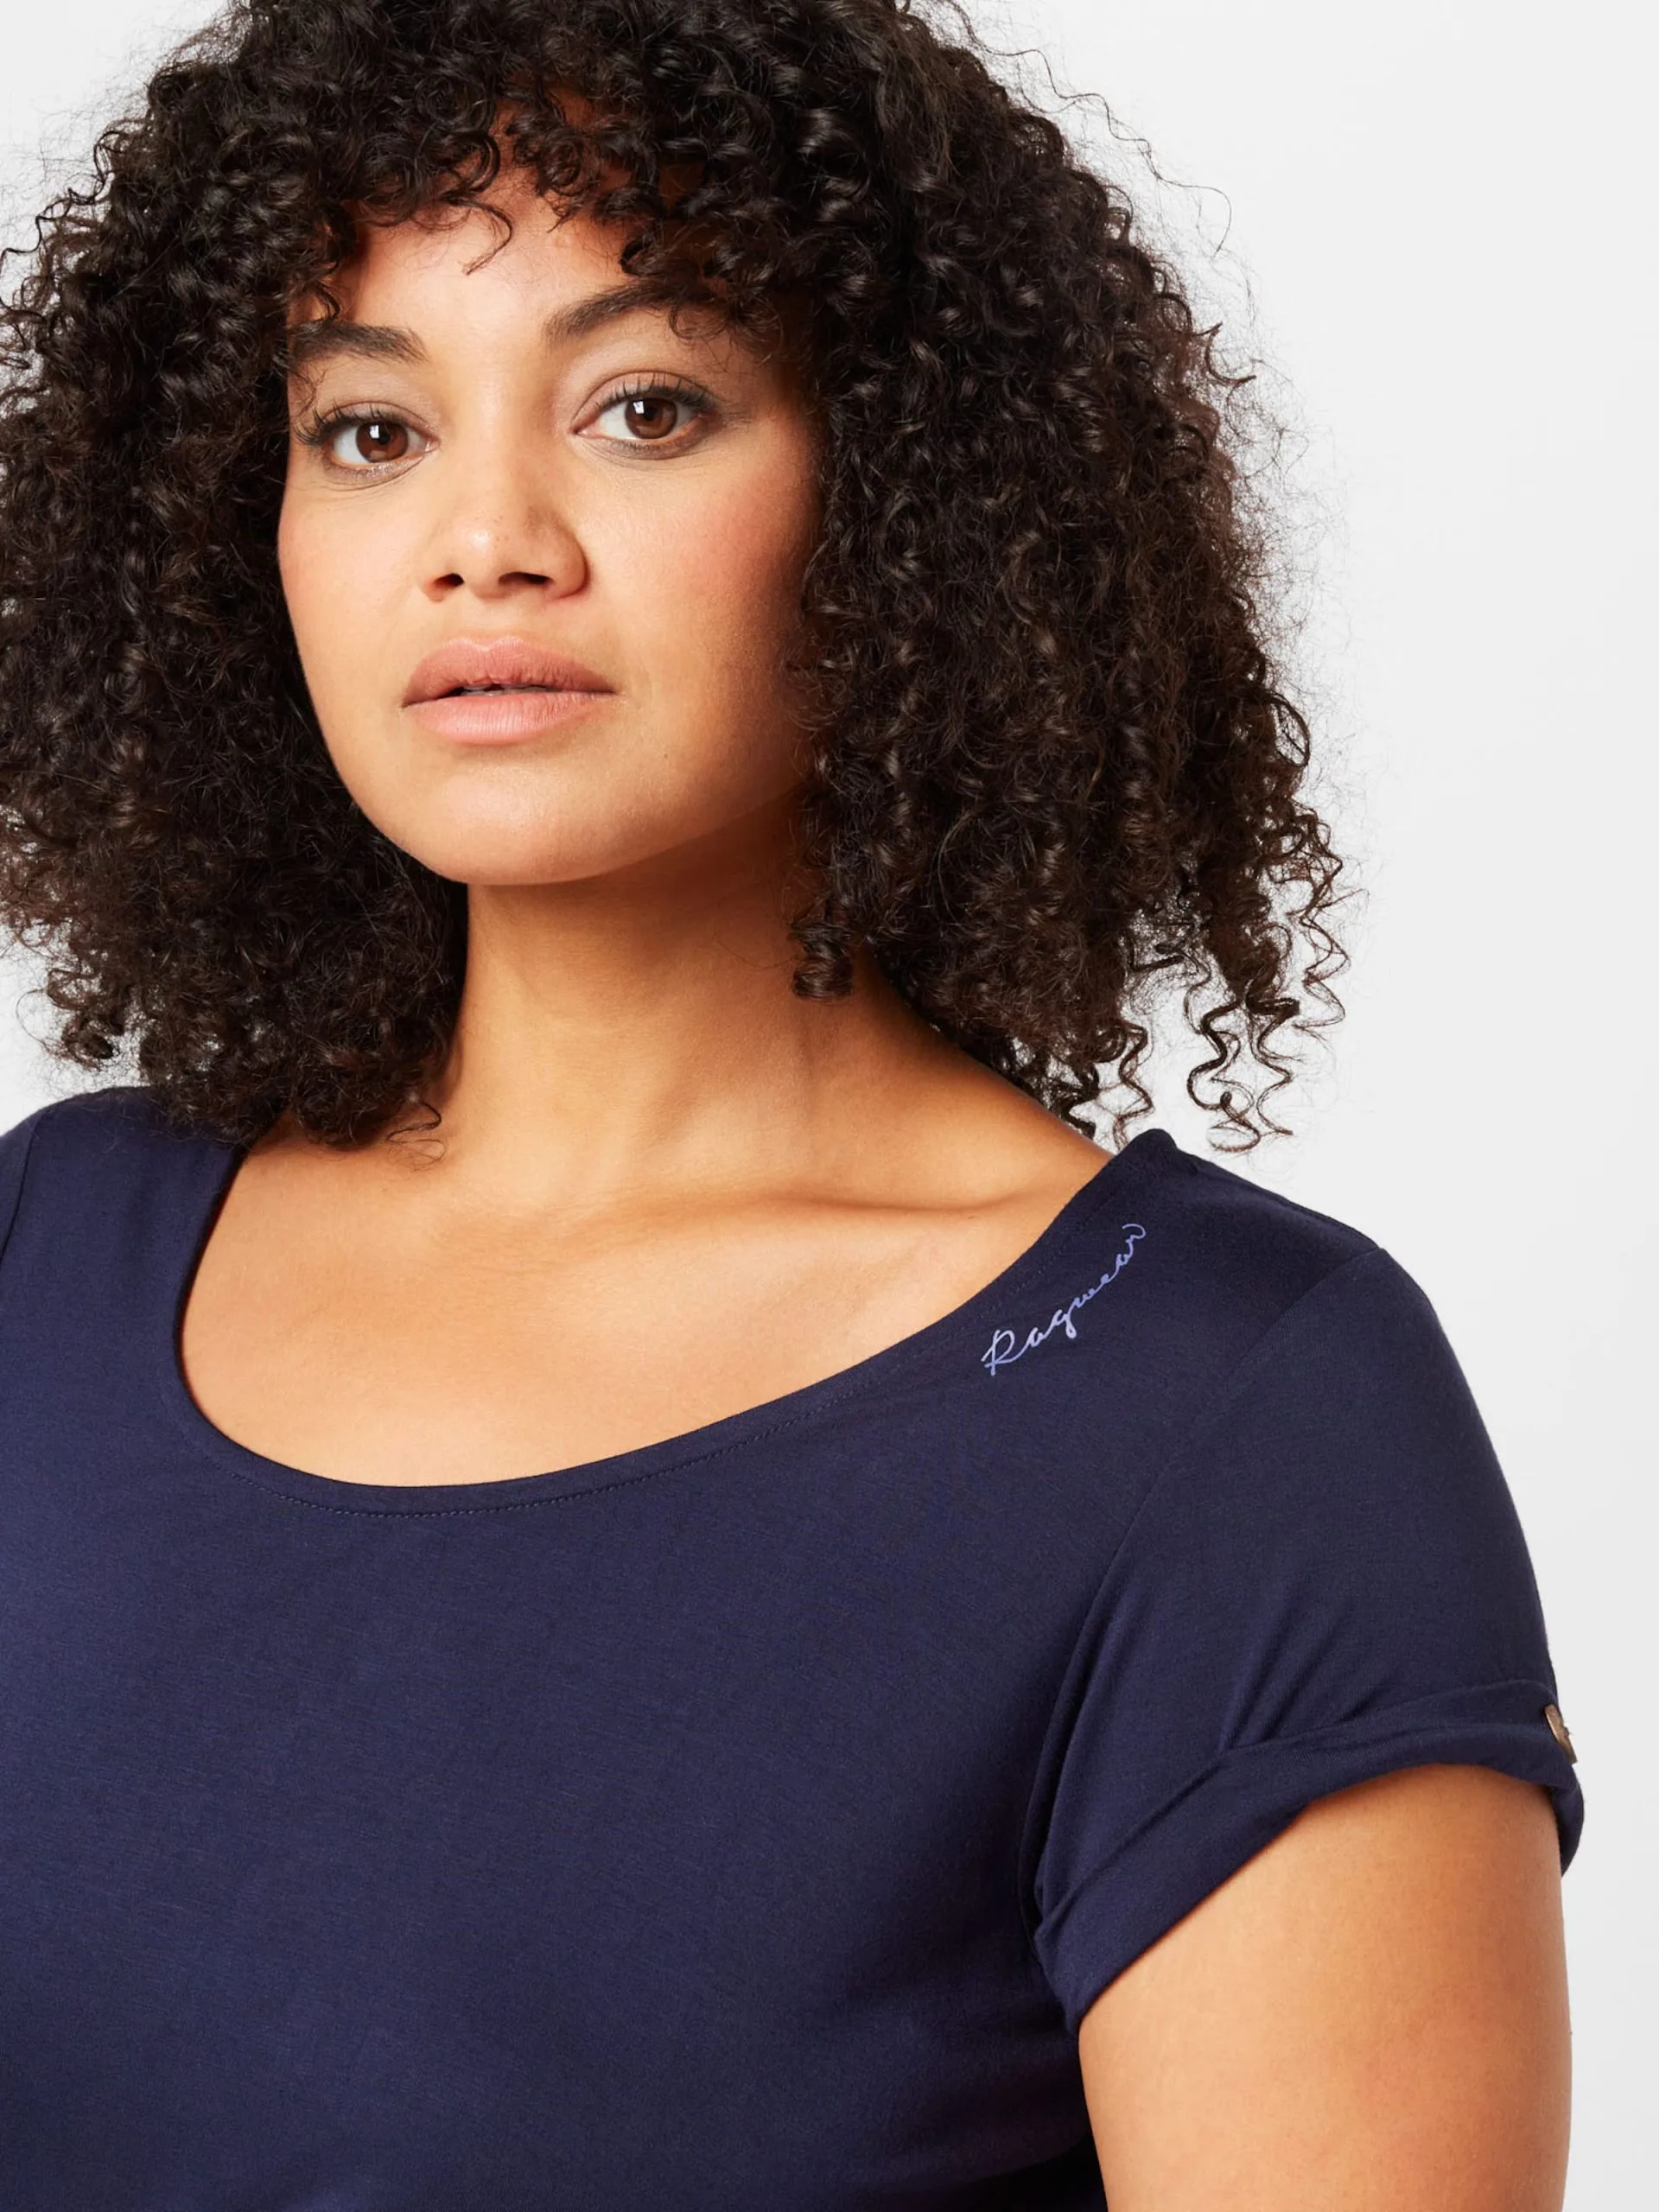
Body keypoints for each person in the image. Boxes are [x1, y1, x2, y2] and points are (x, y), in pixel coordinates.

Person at [0, 2, 1580, 2205]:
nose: (484, 538)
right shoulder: (49, 1258)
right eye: (368, 428)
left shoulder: (1230, 1415)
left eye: (645, 407)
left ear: (912, 495)